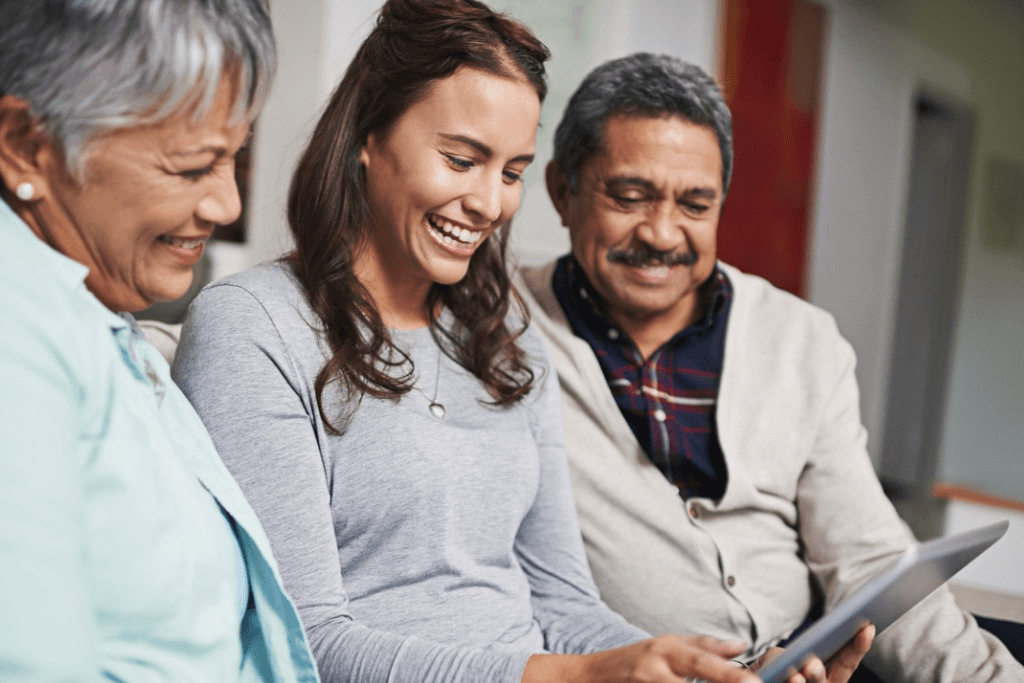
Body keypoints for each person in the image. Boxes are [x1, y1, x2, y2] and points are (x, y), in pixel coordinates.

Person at [171, 2, 869, 682]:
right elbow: (302, 638)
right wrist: (573, 676)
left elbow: (566, 603)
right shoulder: (254, 325)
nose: (488, 203)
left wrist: (701, 670)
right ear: (368, 136)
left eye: (510, 172)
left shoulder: (506, 341)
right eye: (461, 158)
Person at [515, 52, 1024, 683]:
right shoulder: (499, 328)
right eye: (629, 195)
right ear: (562, 190)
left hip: (814, 663)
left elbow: (866, 555)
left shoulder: (802, 340)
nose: (662, 233)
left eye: (696, 205)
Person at [0, 1, 319, 680]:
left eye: (236, 158)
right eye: (191, 166)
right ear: (26, 145)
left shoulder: (94, 311)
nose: (227, 205)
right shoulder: (17, 324)